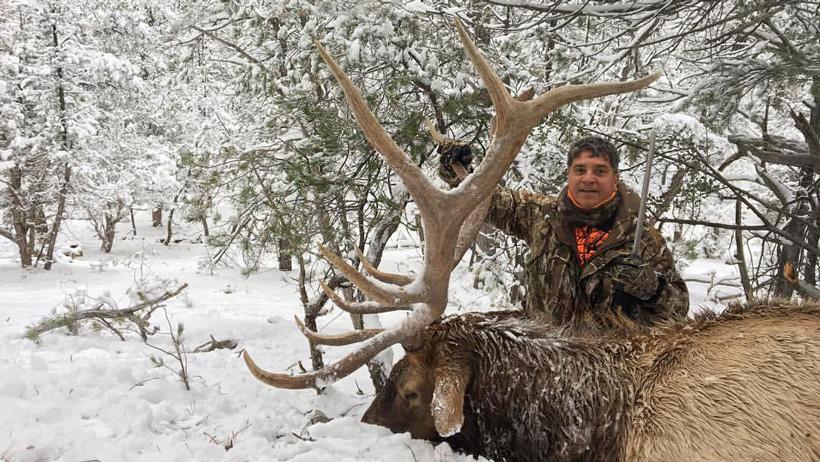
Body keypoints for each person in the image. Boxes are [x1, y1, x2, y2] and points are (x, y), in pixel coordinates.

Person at [439, 136, 689, 328]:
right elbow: (486, 200)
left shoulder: (642, 239)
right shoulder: (541, 215)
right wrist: (458, 170)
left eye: (600, 171)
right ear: (569, 175)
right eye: (580, 170)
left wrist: (653, 288)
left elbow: (679, 309)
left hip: (611, 374)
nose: (588, 179)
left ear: (615, 178)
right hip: (541, 361)